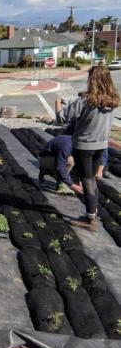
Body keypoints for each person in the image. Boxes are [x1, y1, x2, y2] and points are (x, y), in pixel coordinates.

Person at [67, 65, 120, 231]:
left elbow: (63, 117)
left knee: (87, 180)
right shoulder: (112, 100)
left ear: (92, 80)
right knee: (93, 180)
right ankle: (93, 214)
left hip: (84, 147)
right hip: (101, 146)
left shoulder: (84, 101)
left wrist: (60, 105)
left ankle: (90, 220)